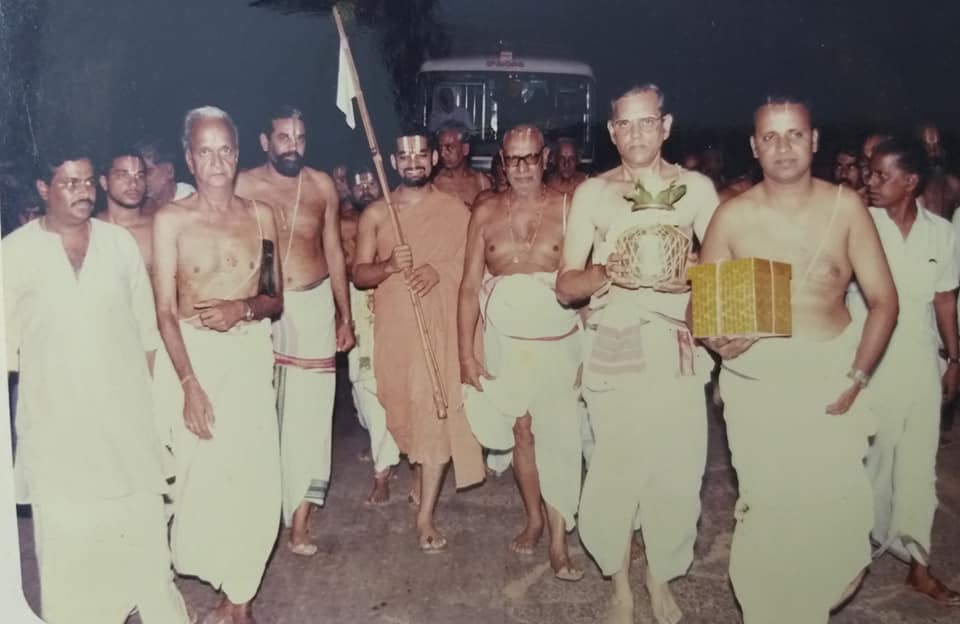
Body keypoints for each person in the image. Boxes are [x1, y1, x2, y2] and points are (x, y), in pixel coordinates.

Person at [697, 96, 899, 623]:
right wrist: (718, 339)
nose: (782, 146)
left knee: (838, 520)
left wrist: (858, 376)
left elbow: (884, 301)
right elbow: (703, 309)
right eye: (770, 136)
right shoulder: (732, 215)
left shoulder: (846, 207)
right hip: (758, 386)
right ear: (754, 146)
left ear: (814, 140)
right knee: (769, 515)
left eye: (794, 134)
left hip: (831, 380)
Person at [3, 145, 190, 623]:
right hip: (56, 435)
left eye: (88, 181)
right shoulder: (14, 254)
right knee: (70, 562)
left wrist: (153, 415)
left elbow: (147, 336)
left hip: (126, 428)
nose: (84, 192)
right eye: (70, 183)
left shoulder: (118, 245)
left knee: (148, 555)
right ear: (43, 189)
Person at [556, 84, 719, 624]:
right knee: (615, 470)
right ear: (611, 131)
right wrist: (607, 273)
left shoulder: (697, 190)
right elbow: (566, 285)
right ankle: (621, 586)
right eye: (625, 124)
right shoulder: (593, 193)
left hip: (677, 348)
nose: (636, 134)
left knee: (677, 470)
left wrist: (691, 275)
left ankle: (660, 578)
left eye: (646, 122)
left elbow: (726, 271)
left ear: (666, 126)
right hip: (615, 344)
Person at [152, 106, 283, 624]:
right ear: (189, 158)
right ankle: (228, 587)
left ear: (237, 152)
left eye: (225, 150)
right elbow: (164, 311)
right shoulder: (171, 219)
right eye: (204, 152)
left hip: (248, 353)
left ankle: (240, 601)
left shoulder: (261, 215)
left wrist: (242, 308)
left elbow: (274, 296)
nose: (216, 162)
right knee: (202, 486)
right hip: (194, 357)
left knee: (257, 478)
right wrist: (189, 384)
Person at [459, 125, 583, 581]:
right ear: (502, 161)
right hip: (506, 342)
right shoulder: (486, 210)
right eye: (514, 159)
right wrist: (465, 356)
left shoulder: (570, 208)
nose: (524, 168)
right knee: (522, 432)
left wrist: (589, 350)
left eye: (531, 158)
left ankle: (558, 541)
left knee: (560, 436)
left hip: (558, 340)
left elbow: (585, 282)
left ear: (545, 158)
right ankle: (534, 519)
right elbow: (469, 287)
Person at [353, 130, 485, 552]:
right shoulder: (377, 214)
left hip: (439, 329)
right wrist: (389, 266)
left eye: (421, 154)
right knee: (403, 408)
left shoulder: (455, 211)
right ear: (393, 162)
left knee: (434, 411)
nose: (414, 162)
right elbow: (360, 274)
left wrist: (438, 269)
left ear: (433, 159)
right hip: (396, 330)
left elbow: (472, 265)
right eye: (405, 155)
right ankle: (417, 467)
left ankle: (425, 515)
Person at [235, 105, 353, 555]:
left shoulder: (320, 186)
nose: (293, 146)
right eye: (284, 137)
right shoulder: (243, 185)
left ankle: (300, 523)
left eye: (300, 137)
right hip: (261, 310)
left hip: (313, 306)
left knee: (311, 415)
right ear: (265, 141)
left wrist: (345, 315)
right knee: (261, 411)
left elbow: (335, 251)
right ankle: (261, 511)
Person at [851, 136, 960, 605]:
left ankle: (919, 563)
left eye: (881, 174)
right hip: (867, 358)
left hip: (920, 358)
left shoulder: (941, 232)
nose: (870, 181)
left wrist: (954, 358)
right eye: (869, 172)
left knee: (919, 460)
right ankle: (856, 547)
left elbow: (944, 298)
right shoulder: (860, 224)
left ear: (910, 181)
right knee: (869, 457)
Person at [342, 168, 401, 504]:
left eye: (370, 181)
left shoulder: (394, 217)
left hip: (389, 302)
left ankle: (382, 471)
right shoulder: (341, 223)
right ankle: (381, 443)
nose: (364, 187)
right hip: (354, 306)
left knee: (379, 387)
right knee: (361, 389)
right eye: (358, 182)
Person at [96, 147, 154, 271]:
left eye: (139, 175)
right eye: (123, 175)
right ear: (104, 182)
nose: (133, 184)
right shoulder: (91, 229)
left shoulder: (157, 229)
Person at [432, 122, 491, 207]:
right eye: (440, 148)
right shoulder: (435, 182)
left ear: (465, 149)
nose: (442, 154)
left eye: (449, 147)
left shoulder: (481, 182)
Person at [136, 137, 196, 216]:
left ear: (169, 171)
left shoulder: (190, 201)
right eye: (140, 173)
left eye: (149, 171)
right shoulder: (142, 206)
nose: (143, 179)